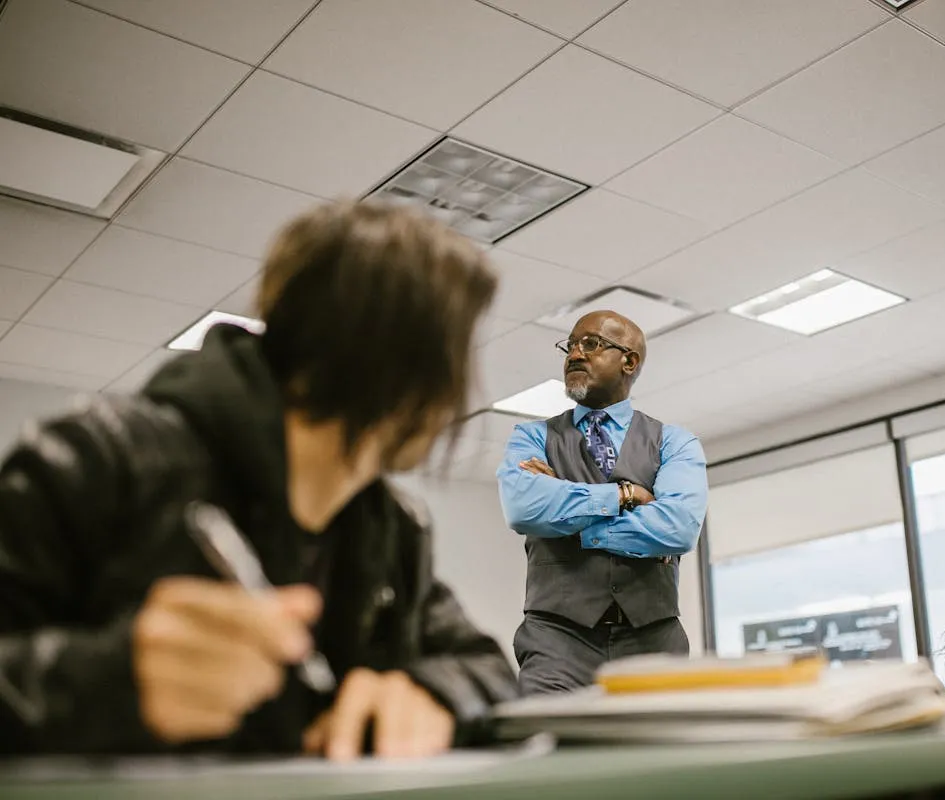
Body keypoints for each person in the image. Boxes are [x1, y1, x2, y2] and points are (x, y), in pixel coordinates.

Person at [0, 201, 518, 758]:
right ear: (409, 366)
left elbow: (486, 668)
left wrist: (432, 692)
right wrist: (107, 683)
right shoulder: (94, 456)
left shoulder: (393, 529)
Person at [496, 311, 708, 695]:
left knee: (663, 755)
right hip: (555, 643)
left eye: (590, 344)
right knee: (547, 749)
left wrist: (566, 510)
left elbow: (677, 527)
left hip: (654, 643)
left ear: (629, 361)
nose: (575, 354)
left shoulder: (675, 442)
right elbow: (524, 508)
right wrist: (626, 496)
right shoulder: (531, 437)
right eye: (570, 345)